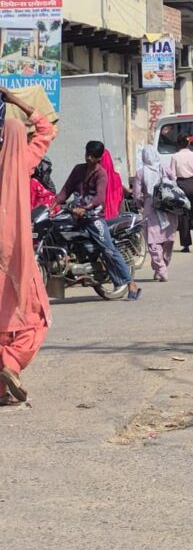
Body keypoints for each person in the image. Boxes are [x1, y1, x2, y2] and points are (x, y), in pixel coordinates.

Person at [0, 87, 55, 404]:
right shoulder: (23, 161)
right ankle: (11, 363)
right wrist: (18, 102)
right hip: (15, 253)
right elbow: (47, 129)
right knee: (35, 315)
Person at [55, 141, 141, 299]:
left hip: (93, 218)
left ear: (99, 157)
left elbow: (100, 197)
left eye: (92, 156)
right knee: (56, 231)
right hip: (75, 216)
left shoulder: (101, 174)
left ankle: (130, 283)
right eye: (87, 154)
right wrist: (52, 202)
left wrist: (86, 208)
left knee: (109, 250)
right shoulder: (78, 169)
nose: (88, 158)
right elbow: (65, 191)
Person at [133, 147, 178, 282]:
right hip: (168, 208)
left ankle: (161, 269)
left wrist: (141, 203)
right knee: (168, 239)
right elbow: (174, 182)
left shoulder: (140, 173)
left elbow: (136, 194)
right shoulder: (165, 168)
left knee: (153, 242)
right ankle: (161, 266)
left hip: (150, 209)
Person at [170, 133, 193, 252]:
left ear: (178, 144)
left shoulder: (175, 157)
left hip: (181, 186)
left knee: (183, 216)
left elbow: (172, 176)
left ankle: (186, 245)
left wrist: (174, 191)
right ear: (189, 143)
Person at [101, 148, 124, 218]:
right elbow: (121, 201)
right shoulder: (116, 178)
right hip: (114, 219)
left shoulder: (96, 177)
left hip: (99, 219)